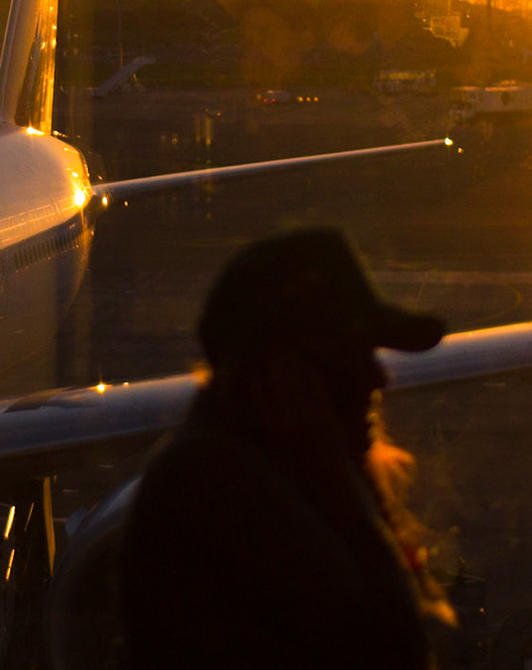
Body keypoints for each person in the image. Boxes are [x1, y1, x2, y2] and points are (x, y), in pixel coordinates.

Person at [119, 227, 452, 668]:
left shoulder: (248, 473)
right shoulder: (218, 490)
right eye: (352, 354)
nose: (379, 377)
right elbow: (395, 651)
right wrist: (339, 488)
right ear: (284, 375)